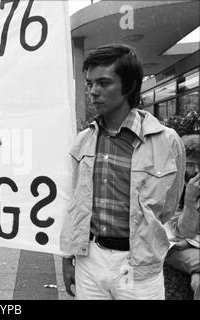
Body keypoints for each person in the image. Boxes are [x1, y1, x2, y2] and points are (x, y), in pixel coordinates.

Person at [60, 44, 186, 300]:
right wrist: (68, 257)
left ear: (129, 86)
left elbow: (169, 207)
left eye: (104, 83)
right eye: (90, 83)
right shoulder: (83, 140)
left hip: (139, 266)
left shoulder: (166, 141)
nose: (94, 91)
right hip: (90, 260)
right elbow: (75, 203)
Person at [165, 134, 200, 300]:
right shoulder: (170, 187)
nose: (196, 171)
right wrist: (190, 200)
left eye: (199, 164)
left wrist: (189, 241)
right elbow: (180, 234)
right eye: (190, 165)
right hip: (175, 249)